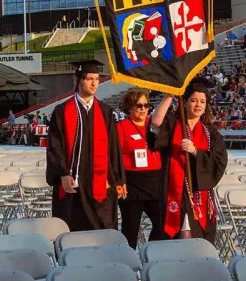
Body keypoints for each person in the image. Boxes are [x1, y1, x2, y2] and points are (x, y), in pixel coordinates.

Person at [46, 60, 126, 232]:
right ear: (78, 81)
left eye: (97, 79)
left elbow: (114, 148)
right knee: (73, 228)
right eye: (89, 78)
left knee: (102, 228)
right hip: (73, 182)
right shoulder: (62, 111)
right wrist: (62, 173)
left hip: (101, 183)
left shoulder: (105, 112)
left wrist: (119, 179)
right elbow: (55, 146)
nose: (94, 83)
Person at [150, 78, 227, 243]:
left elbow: (219, 161)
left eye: (202, 102)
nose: (198, 105)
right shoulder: (173, 124)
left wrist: (195, 151)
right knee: (183, 236)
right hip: (176, 190)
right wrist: (170, 95)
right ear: (184, 102)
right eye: (193, 100)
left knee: (197, 238)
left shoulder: (210, 132)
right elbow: (155, 123)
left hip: (200, 192)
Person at [116, 89, 170, 247]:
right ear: (129, 107)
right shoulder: (121, 127)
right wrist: (119, 180)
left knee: (162, 224)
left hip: (154, 181)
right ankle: (128, 261)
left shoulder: (154, 124)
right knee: (130, 228)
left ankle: (152, 252)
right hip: (132, 183)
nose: (143, 109)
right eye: (138, 105)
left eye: (146, 105)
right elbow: (114, 156)